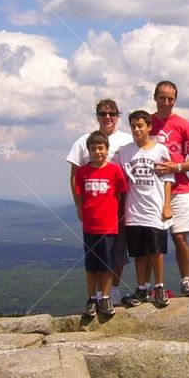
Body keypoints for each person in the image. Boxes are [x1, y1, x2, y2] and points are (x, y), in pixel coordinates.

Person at [66, 99, 133, 294]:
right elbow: (74, 177)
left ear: (118, 116)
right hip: (95, 210)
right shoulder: (83, 141)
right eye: (103, 113)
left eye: (112, 113)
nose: (108, 117)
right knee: (95, 255)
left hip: (120, 204)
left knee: (119, 251)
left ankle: (113, 291)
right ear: (97, 116)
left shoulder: (127, 140)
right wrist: (79, 206)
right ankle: (97, 295)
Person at [114, 110, 173, 308]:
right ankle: (141, 287)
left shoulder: (160, 150)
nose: (136, 129)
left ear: (149, 127)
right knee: (139, 253)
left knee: (156, 251)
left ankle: (159, 286)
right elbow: (114, 173)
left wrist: (166, 206)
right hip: (134, 211)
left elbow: (167, 180)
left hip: (155, 210)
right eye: (133, 126)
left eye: (140, 125)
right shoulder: (125, 151)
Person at [150, 80, 189, 297]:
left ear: (175, 100)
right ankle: (152, 285)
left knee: (179, 236)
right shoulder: (146, 122)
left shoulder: (183, 125)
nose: (166, 102)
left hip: (180, 188)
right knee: (151, 239)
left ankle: (186, 280)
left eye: (170, 98)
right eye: (162, 97)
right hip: (151, 190)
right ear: (155, 97)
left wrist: (176, 166)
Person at [73, 131, 128, 319]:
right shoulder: (83, 172)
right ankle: (91, 298)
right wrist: (80, 209)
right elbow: (80, 195)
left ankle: (105, 297)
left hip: (109, 226)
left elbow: (119, 195)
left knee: (106, 264)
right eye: (93, 148)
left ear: (107, 149)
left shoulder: (114, 170)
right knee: (91, 265)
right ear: (88, 150)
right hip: (90, 226)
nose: (97, 152)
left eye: (101, 148)